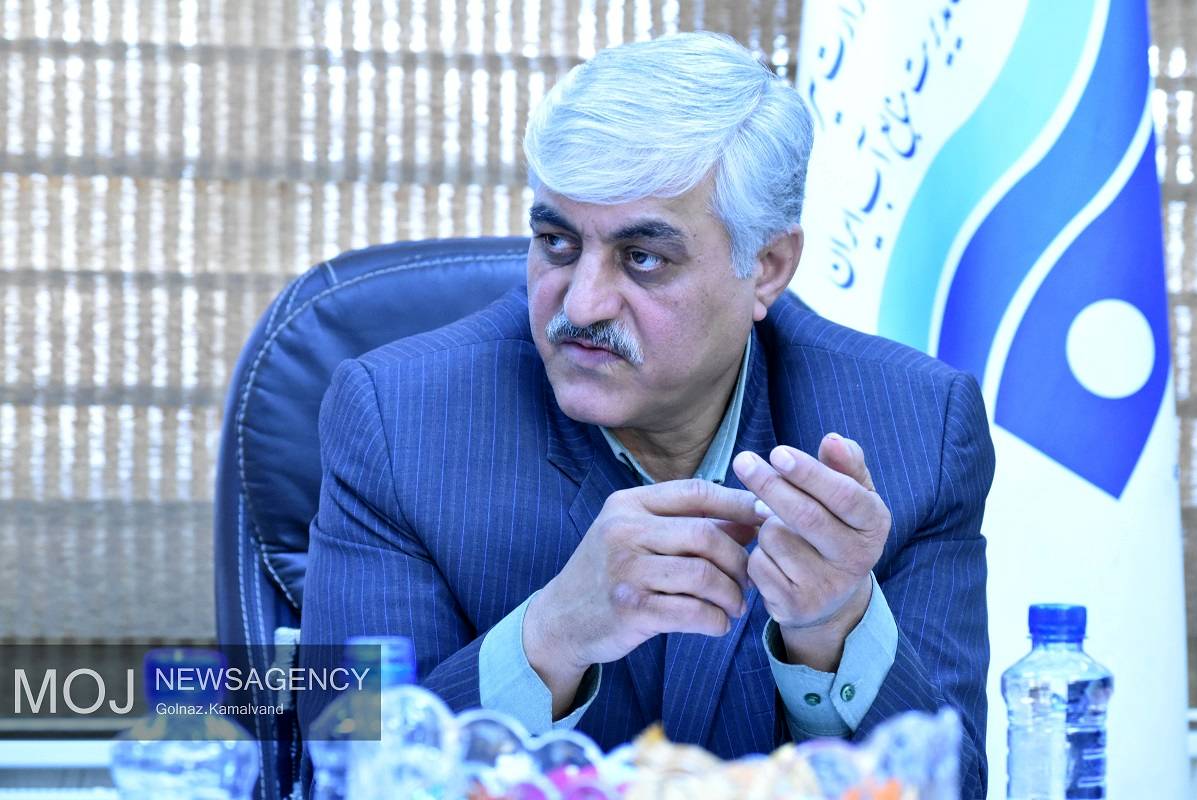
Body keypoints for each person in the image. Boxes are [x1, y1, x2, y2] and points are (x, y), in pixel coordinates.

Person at [299, 31, 994, 798]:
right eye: (557, 243)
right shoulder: (399, 420)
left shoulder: (917, 429)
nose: (581, 305)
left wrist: (836, 628)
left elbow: (955, 787)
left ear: (767, 267)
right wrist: (551, 637)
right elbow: (338, 770)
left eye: (643, 258)